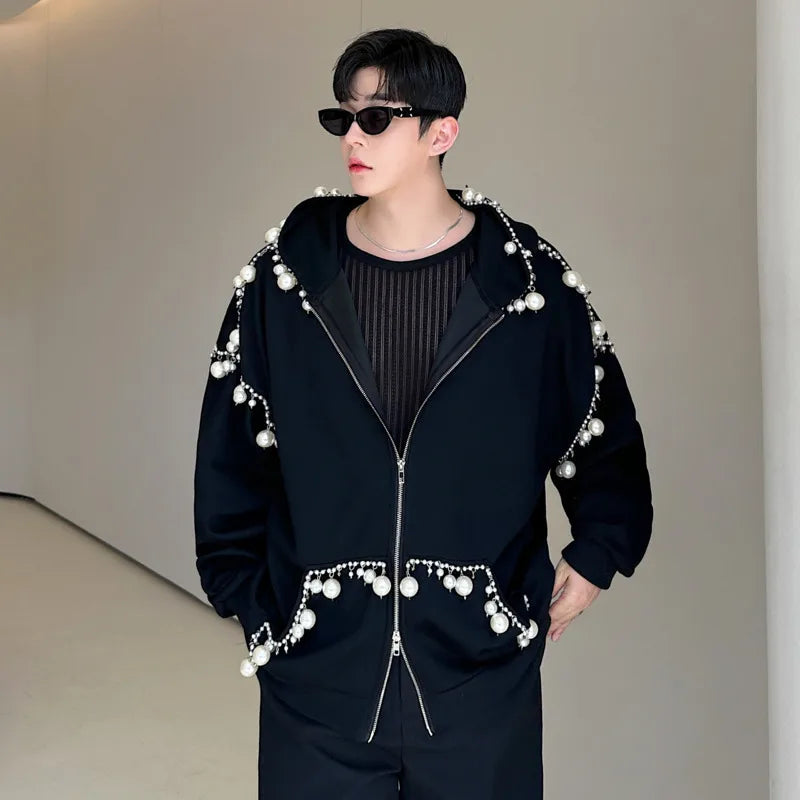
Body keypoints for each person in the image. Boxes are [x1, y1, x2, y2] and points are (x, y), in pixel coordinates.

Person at [193, 27, 653, 800]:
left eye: (377, 117)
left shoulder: (530, 287)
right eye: (343, 117)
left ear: (442, 133)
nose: (353, 137)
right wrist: (256, 605)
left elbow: (599, 424)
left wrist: (603, 548)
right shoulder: (280, 284)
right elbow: (231, 452)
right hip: (318, 679)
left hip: (480, 679)